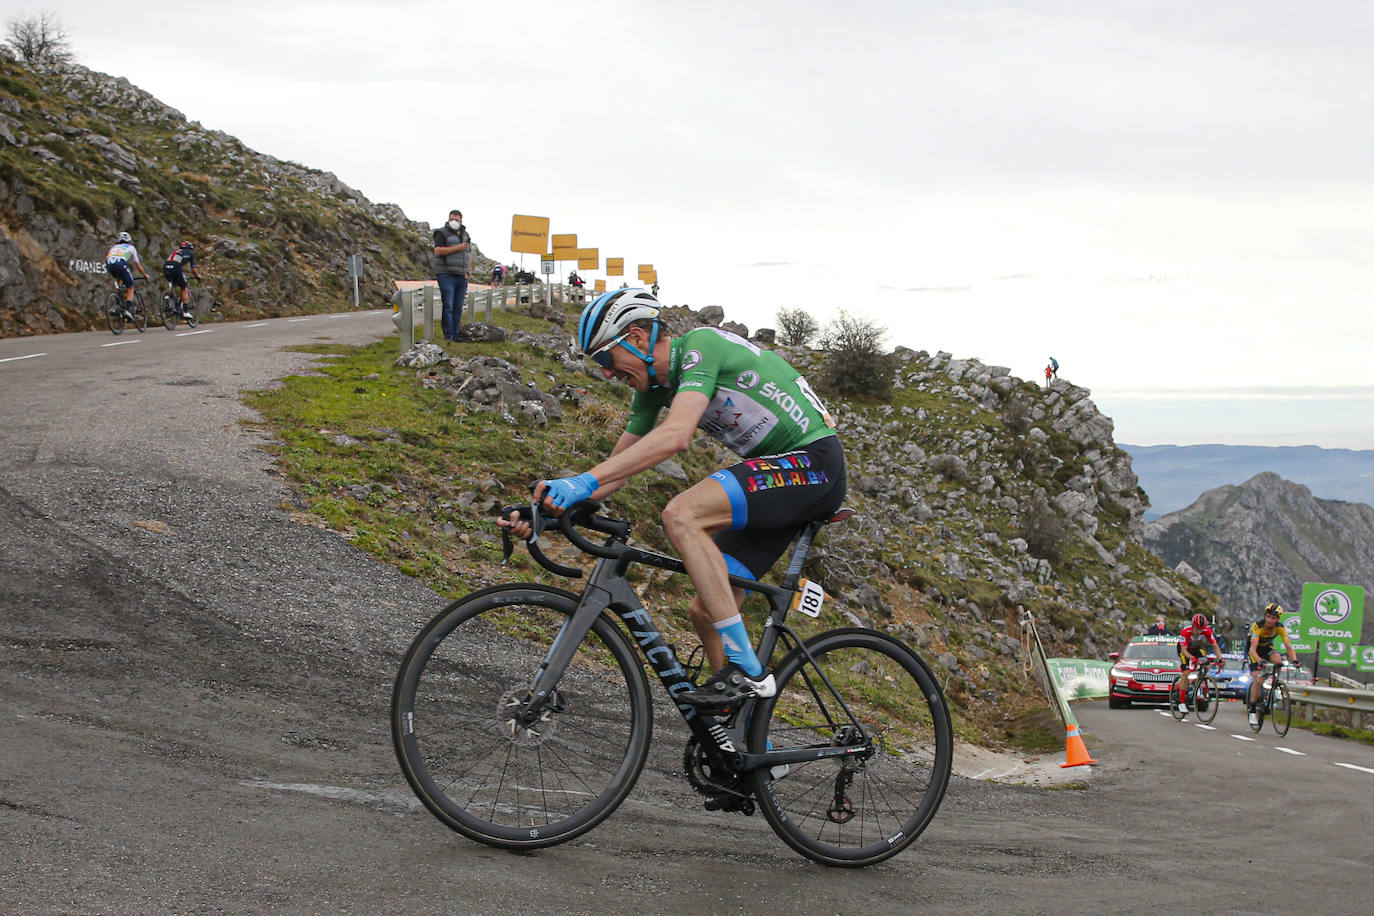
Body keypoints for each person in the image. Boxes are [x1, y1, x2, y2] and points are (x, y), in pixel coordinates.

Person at [501, 288, 846, 709]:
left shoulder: (701, 345)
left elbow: (677, 434)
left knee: (682, 514)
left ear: (638, 337)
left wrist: (583, 483)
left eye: (607, 359)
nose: (608, 374)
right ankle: (736, 733)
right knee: (706, 610)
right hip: (779, 480)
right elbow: (615, 471)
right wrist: (546, 507)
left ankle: (749, 671)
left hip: (814, 463)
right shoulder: (651, 392)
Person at [1246, 603, 1297, 726]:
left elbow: (1288, 646)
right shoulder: (1257, 626)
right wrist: (1259, 660)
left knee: (1278, 660)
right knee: (1258, 681)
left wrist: (1295, 660)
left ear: (1278, 619)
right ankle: (1252, 711)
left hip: (1267, 648)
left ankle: (1274, 686)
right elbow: (1252, 649)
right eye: (1268, 616)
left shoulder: (1280, 628)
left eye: (1273, 618)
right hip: (1253, 650)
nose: (1270, 620)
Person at [432, 210, 471, 342]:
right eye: (451, 219)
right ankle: (448, 334)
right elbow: (438, 250)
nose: (453, 222)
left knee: (458, 306)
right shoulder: (441, 233)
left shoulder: (466, 235)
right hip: (446, 274)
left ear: (461, 221)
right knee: (448, 305)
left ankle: (456, 333)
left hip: (461, 276)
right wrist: (458, 248)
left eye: (456, 220)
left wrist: (467, 271)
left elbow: (468, 254)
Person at [1175, 613, 1223, 714]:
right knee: (1186, 672)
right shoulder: (1186, 631)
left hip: (1196, 648)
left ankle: (1198, 682)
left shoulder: (1206, 630)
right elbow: (1184, 650)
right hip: (1184, 650)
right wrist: (1193, 659)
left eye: (1202, 629)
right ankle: (1182, 702)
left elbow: (1215, 645)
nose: (1199, 632)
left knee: (1206, 666)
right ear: (1193, 625)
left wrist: (1220, 659)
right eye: (1197, 629)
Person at [105, 231, 150, 316]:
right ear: (129, 240)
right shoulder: (131, 247)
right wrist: (144, 274)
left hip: (109, 264)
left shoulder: (113, 247)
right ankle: (127, 311)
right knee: (130, 287)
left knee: (118, 282)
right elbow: (138, 265)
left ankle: (118, 305)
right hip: (120, 264)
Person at [162, 240, 203, 319]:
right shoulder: (190, 253)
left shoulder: (176, 252)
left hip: (166, 267)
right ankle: (185, 311)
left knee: (171, 283)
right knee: (184, 287)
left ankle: (168, 297)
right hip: (176, 267)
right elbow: (193, 269)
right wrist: (198, 276)